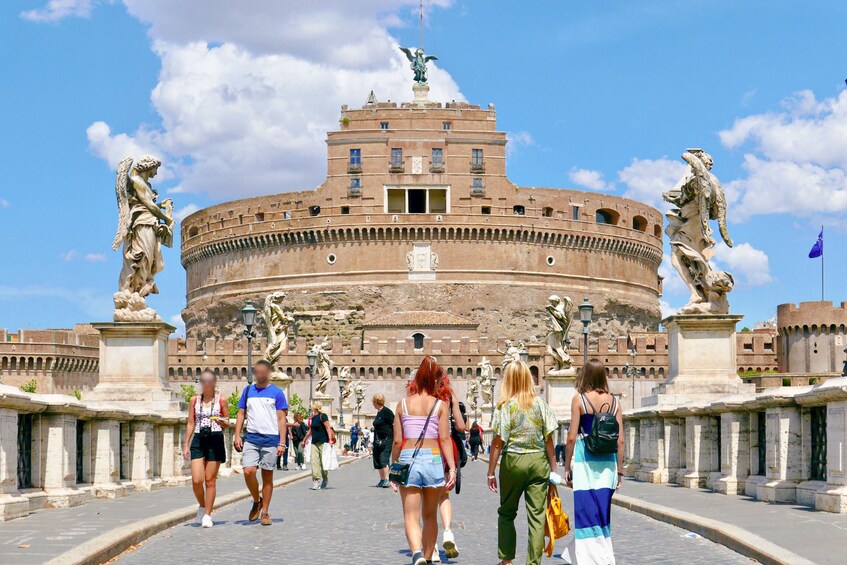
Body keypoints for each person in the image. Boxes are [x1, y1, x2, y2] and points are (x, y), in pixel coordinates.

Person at [487, 361, 558, 565]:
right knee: (536, 517)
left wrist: (491, 472)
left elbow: (498, 442)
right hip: (538, 462)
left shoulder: (505, 406)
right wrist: (554, 469)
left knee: (507, 512)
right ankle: (533, 563)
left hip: (514, 461)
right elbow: (549, 440)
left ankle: (507, 560)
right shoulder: (541, 404)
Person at [392, 357, 457, 565]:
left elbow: (397, 441)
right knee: (430, 515)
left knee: (411, 515)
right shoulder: (440, 405)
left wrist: (394, 466)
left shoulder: (402, 404)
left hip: (408, 459)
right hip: (433, 459)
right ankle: (428, 558)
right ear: (435, 381)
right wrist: (452, 468)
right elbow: (445, 439)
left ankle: (417, 554)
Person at [564, 359, 624, 565]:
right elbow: (621, 440)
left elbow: (571, 437)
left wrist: (566, 466)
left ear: (585, 376)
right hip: (608, 463)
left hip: (584, 462)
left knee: (585, 511)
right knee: (602, 512)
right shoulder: (615, 403)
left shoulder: (579, 400)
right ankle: (605, 556)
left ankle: (589, 559)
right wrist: (621, 471)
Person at [233, 360, 288, 526]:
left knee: (267, 476)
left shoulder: (277, 393)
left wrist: (282, 442)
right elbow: (241, 414)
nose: (260, 374)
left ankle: (265, 512)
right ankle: (257, 500)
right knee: (248, 471)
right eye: (257, 371)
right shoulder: (248, 390)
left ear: (269, 372)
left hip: (271, 440)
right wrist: (237, 435)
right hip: (251, 437)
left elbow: (281, 419)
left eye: (263, 371)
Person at [183, 369, 229, 528]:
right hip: (198, 438)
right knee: (196, 480)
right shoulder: (194, 400)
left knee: (210, 480)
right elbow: (190, 422)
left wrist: (221, 421)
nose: (207, 384)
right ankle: (202, 506)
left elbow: (227, 421)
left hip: (215, 438)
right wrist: (186, 444)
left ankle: (208, 515)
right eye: (204, 381)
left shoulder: (222, 400)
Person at [431, 370, 466, 562]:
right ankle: (447, 532)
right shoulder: (450, 395)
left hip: (429, 447)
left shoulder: (422, 396)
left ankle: (433, 547)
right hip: (448, 448)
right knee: (444, 494)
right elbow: (461, 427)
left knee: (427, 495)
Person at [301, 401, 336, 490]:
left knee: (323, 462)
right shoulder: (313, 418)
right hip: (314, 442)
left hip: (323, 442)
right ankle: (316, 480)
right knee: (314, 461)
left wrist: (330, 439)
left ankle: (325, 478)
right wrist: (304, 440)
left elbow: (328, 428)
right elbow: (310, 431)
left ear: (315, 408)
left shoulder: (322, 416)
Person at [371, 393, 394, 488]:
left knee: (383, 459)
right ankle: (382, 479)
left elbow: (394, 423)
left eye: (373, 402)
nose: (373, 404)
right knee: (377, 460)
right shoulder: (379, 412)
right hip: (378, 440)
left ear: (376, 402)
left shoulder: (386, 411)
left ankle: (388, 480)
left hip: (387, 439)